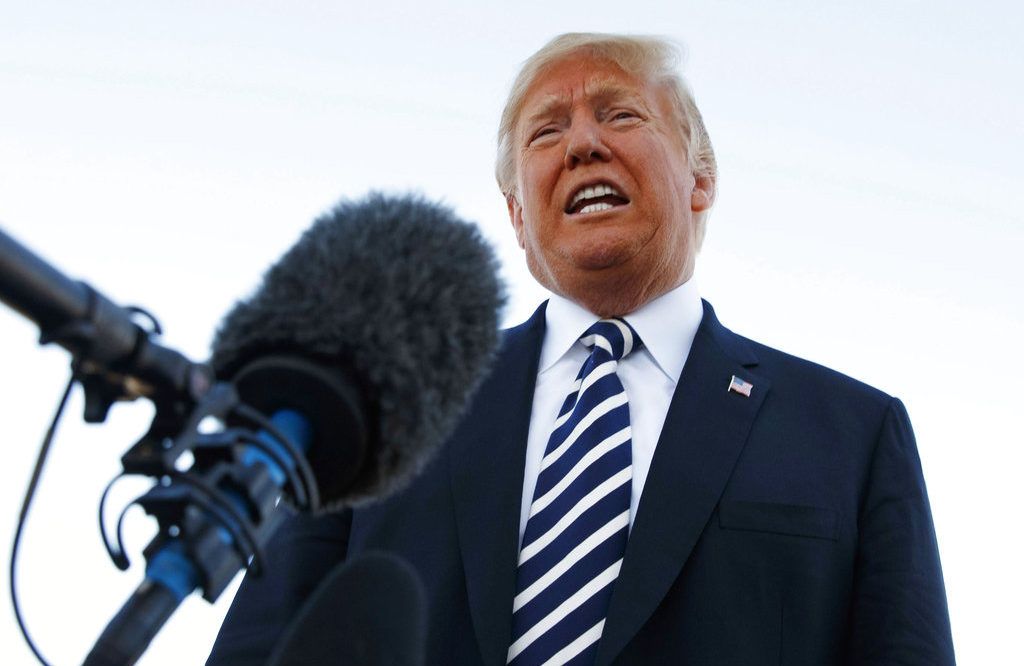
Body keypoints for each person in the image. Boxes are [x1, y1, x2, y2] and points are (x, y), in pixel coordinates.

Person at [209, 33, 954, 665]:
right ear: (517, 215)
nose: (584, 144)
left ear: (701, 179)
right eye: (546, 131)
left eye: (620, 113)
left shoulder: (853, 433)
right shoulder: (385, 411)